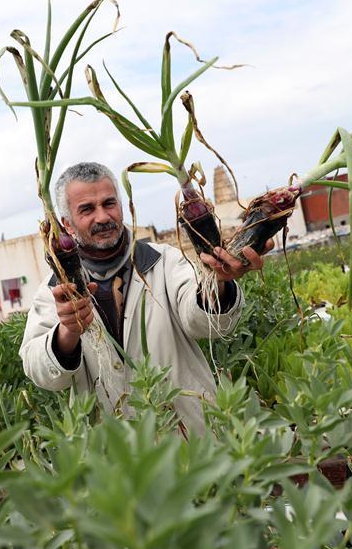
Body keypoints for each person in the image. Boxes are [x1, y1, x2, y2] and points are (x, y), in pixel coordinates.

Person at [19, 162, 271, 434]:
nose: (103, 217)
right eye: (87, 209)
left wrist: (217, 282)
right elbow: (39, 371)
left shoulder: (165, 261)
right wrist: (67, 333)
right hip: (115, 455)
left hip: (191, 441)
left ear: (123, 207)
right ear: (66, 224)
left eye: (109, 203)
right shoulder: (52, 292)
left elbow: (203, 321)